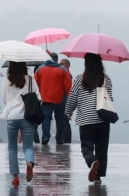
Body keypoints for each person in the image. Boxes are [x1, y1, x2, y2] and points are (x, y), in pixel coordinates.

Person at [65, 53, 112, 184]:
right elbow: (110, 98)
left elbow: (72, 97)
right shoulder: (105, 79)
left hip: (86, 119)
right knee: (101, 148)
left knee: (86, 146)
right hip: (103, 119)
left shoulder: (80, 79)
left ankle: (92, 161)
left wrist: (68, 112)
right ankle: (98, 176)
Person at [2, 62, 41, 185]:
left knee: (12, 148)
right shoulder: (30, 80)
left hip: (12, 117)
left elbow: (4, 99)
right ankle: (29, 163)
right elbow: (39, 98)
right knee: (28, 147)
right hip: (27, 117)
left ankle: (15, 177)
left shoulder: (7, 81)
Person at [34, 52, 72, 145]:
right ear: (56, 59)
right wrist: (69, 99)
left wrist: (37, 97)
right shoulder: (63, 69)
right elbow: (68, 86)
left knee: (46, 119)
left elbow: (35, 85)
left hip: (45, 98)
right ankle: (59, 138)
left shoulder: (40, 69)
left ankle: (45, 137)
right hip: (60, 99)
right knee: (60, 119)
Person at [60, 59, 73, 143]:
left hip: (65, 99)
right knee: (65, 120)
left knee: (65, 120)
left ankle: (66, 140)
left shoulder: (66, 74)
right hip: (66, 99)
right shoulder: (68, 74)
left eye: (62, 64)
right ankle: (66, 139)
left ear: (67, 66)